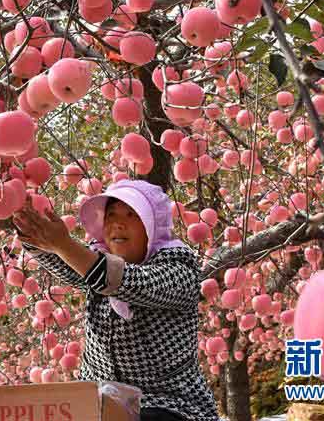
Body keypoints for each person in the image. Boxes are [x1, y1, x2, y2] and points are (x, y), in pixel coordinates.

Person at [12, 179, 220, 421]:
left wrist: (64, 245)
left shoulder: (178, 270)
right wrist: (32, 233)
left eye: (132, 215)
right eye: (111, 215)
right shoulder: (97, 262)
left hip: (169, 404)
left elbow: (132, 282)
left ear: (151, 225)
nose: (118, 224)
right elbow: (73, 267)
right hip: (99, 402)